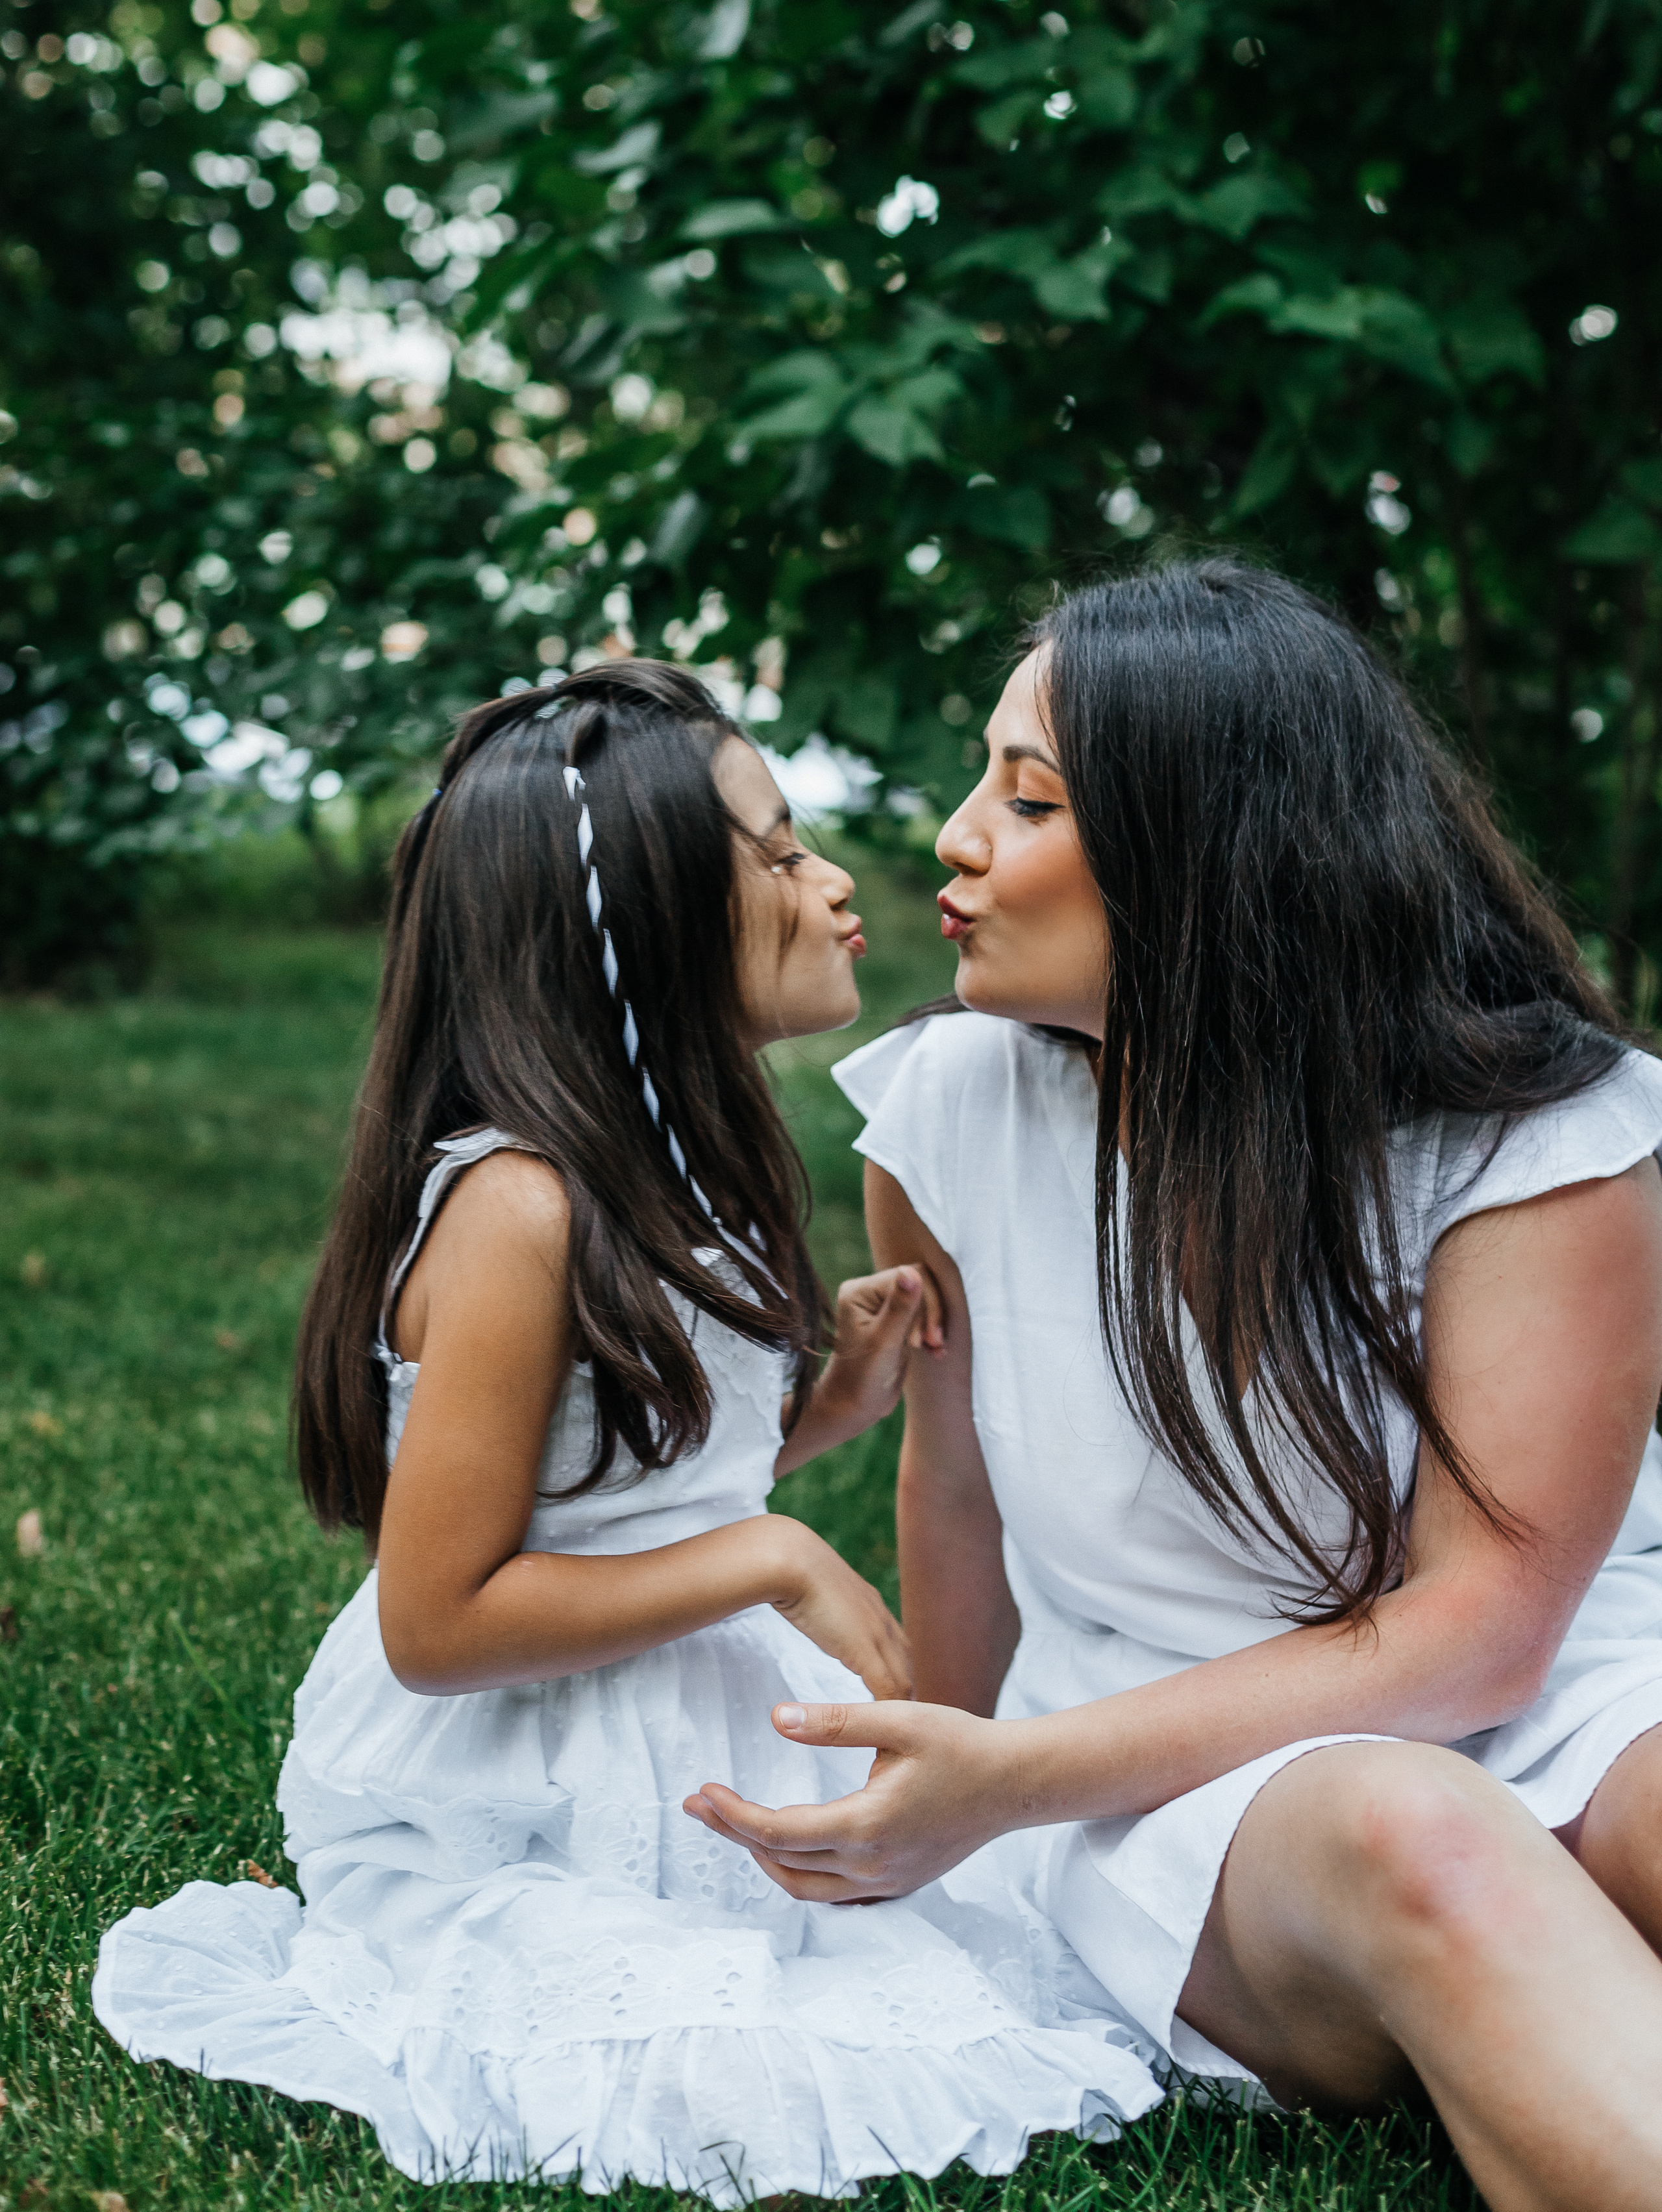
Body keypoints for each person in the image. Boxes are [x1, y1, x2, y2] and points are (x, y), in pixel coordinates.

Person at [90, 660, 1161, 2199]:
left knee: (962, 1957)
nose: (842, 880)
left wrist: (815, 1421)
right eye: (782, 854)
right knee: (694, 2043)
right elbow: (440, 1620)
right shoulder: (517, 1207)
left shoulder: (676, 1171)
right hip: (517, 1776)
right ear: (642, 923)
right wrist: (772, 1555)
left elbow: (617, 1492)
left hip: (680, 1727)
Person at [684, 564, 1662, 2212]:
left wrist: (997, 1783)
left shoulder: (1541, 1137)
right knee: (1414, 1834)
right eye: (986, 778)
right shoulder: (950, 1115)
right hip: (1177, 1761)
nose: (955, 835)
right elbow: (958, 1486)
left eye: (1031, 795)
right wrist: (958, 1768)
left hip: (1562, 1678)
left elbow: (1490, 1622)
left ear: (1211, 851)